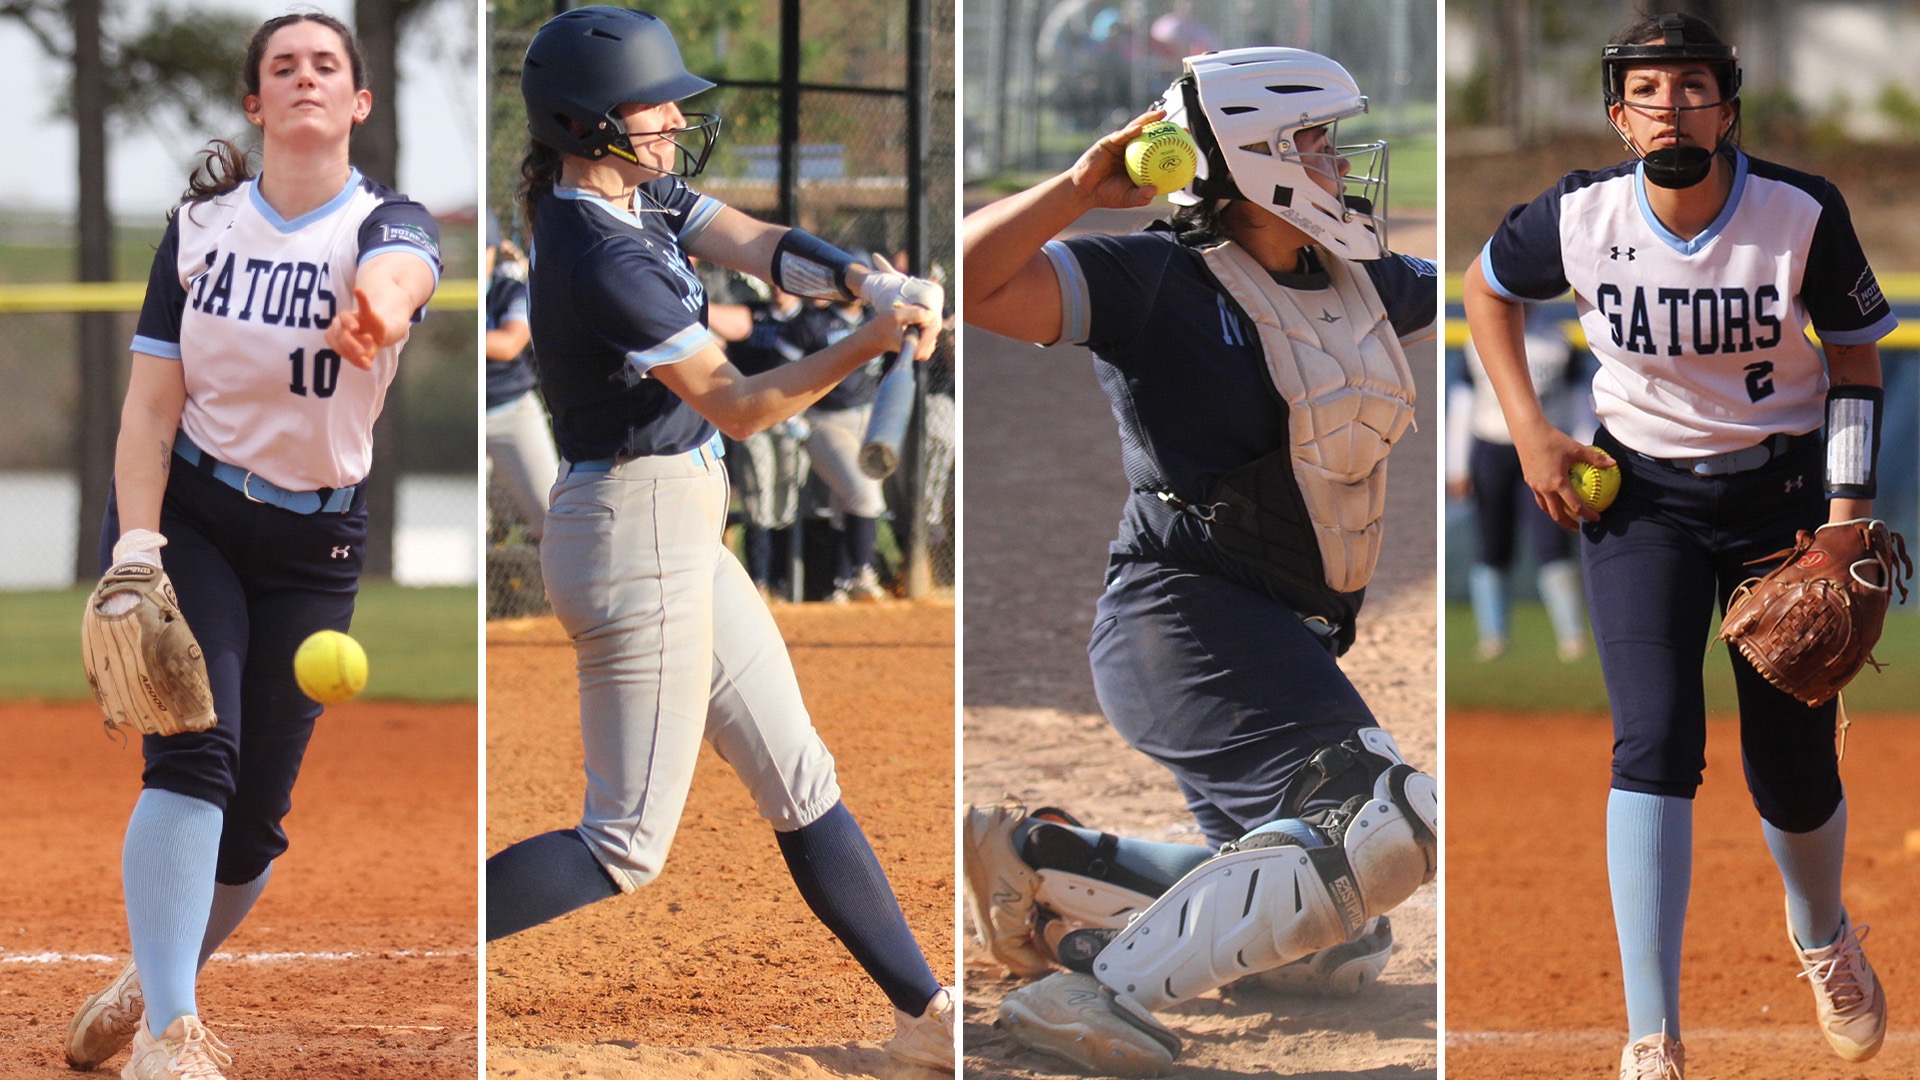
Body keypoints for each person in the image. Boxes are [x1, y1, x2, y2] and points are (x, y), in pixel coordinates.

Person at [480, 7, 952, 1069]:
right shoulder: (600, 255)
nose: (671, 122)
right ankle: (436, 937)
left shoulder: (631, 194)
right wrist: (866, 341)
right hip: (632, 535)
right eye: (650, 107)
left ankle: (929, 1018)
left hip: (678, 528)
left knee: (800, 776)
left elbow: (754, 240)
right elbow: (738, 405)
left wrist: (861, 280)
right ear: (587, 123)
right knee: (623, 846)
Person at [961, 46, 1437, 1073]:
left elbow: (1489, 288)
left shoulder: (1354, 278)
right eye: (1316, 142)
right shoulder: (1155, 279)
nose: (1339, 161)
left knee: (1338, 937)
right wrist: (1080, 189)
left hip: (1282, 637)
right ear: (1257, 159)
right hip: (1183, 627)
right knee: (1385, 820)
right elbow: (968, 281)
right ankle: (1094, 991)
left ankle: (1048, 860)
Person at [1461, 13, 1895, 1078]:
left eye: (1692, 86)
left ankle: (1822, 934)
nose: (1671, 108)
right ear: (1619, 116)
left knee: (1790, 768)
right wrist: (1529, 430)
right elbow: (1486, 288)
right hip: (1640, 501)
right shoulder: (1579, 213)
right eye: (1647, 91)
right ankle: (1651, 1036)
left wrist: (1846, 513)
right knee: (1652, 741)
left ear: (1727, 106)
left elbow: (1853, 357)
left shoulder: (1798, 211)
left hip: (1783, 503)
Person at [62, 13, 440, 1079]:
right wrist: (139, 545)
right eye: (284, 66)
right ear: (255, 102)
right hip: (192, 513)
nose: (305, 76)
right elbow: (148, 409)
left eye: (326, 64)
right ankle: (170, 1035)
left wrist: (376, 312)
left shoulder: (386, 221)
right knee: (196, 755)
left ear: (358, 101)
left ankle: (151, 979)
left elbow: (401, 274)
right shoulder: (200, 230)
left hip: (318, 542)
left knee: (256, 825)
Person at [1448, 304, 1591, 661]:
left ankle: (1572, 637)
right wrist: (1457, 465)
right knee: (1492, 545)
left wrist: (1585, 449)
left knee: (1552, 541)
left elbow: (1578, 402)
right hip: (1492, 446)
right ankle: (1493, 637)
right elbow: (1463, 403)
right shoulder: (1478, 338)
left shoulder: (1557, 340)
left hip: (1545, 450)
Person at [781, 290, 890, 602]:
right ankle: (864, 572)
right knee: (864, 493)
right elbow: (781, 368)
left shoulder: (876, 319)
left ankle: (838, 584)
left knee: (846, 503)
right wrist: (791, 416)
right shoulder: (813, 323)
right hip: (826, 421)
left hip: (870, 419)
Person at [485, 208, 560, 544]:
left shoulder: (510, 290)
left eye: (487, 250)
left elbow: (509, 344)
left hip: (510, 410)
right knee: (481, 527)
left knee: (553, 520)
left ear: (496, 250)